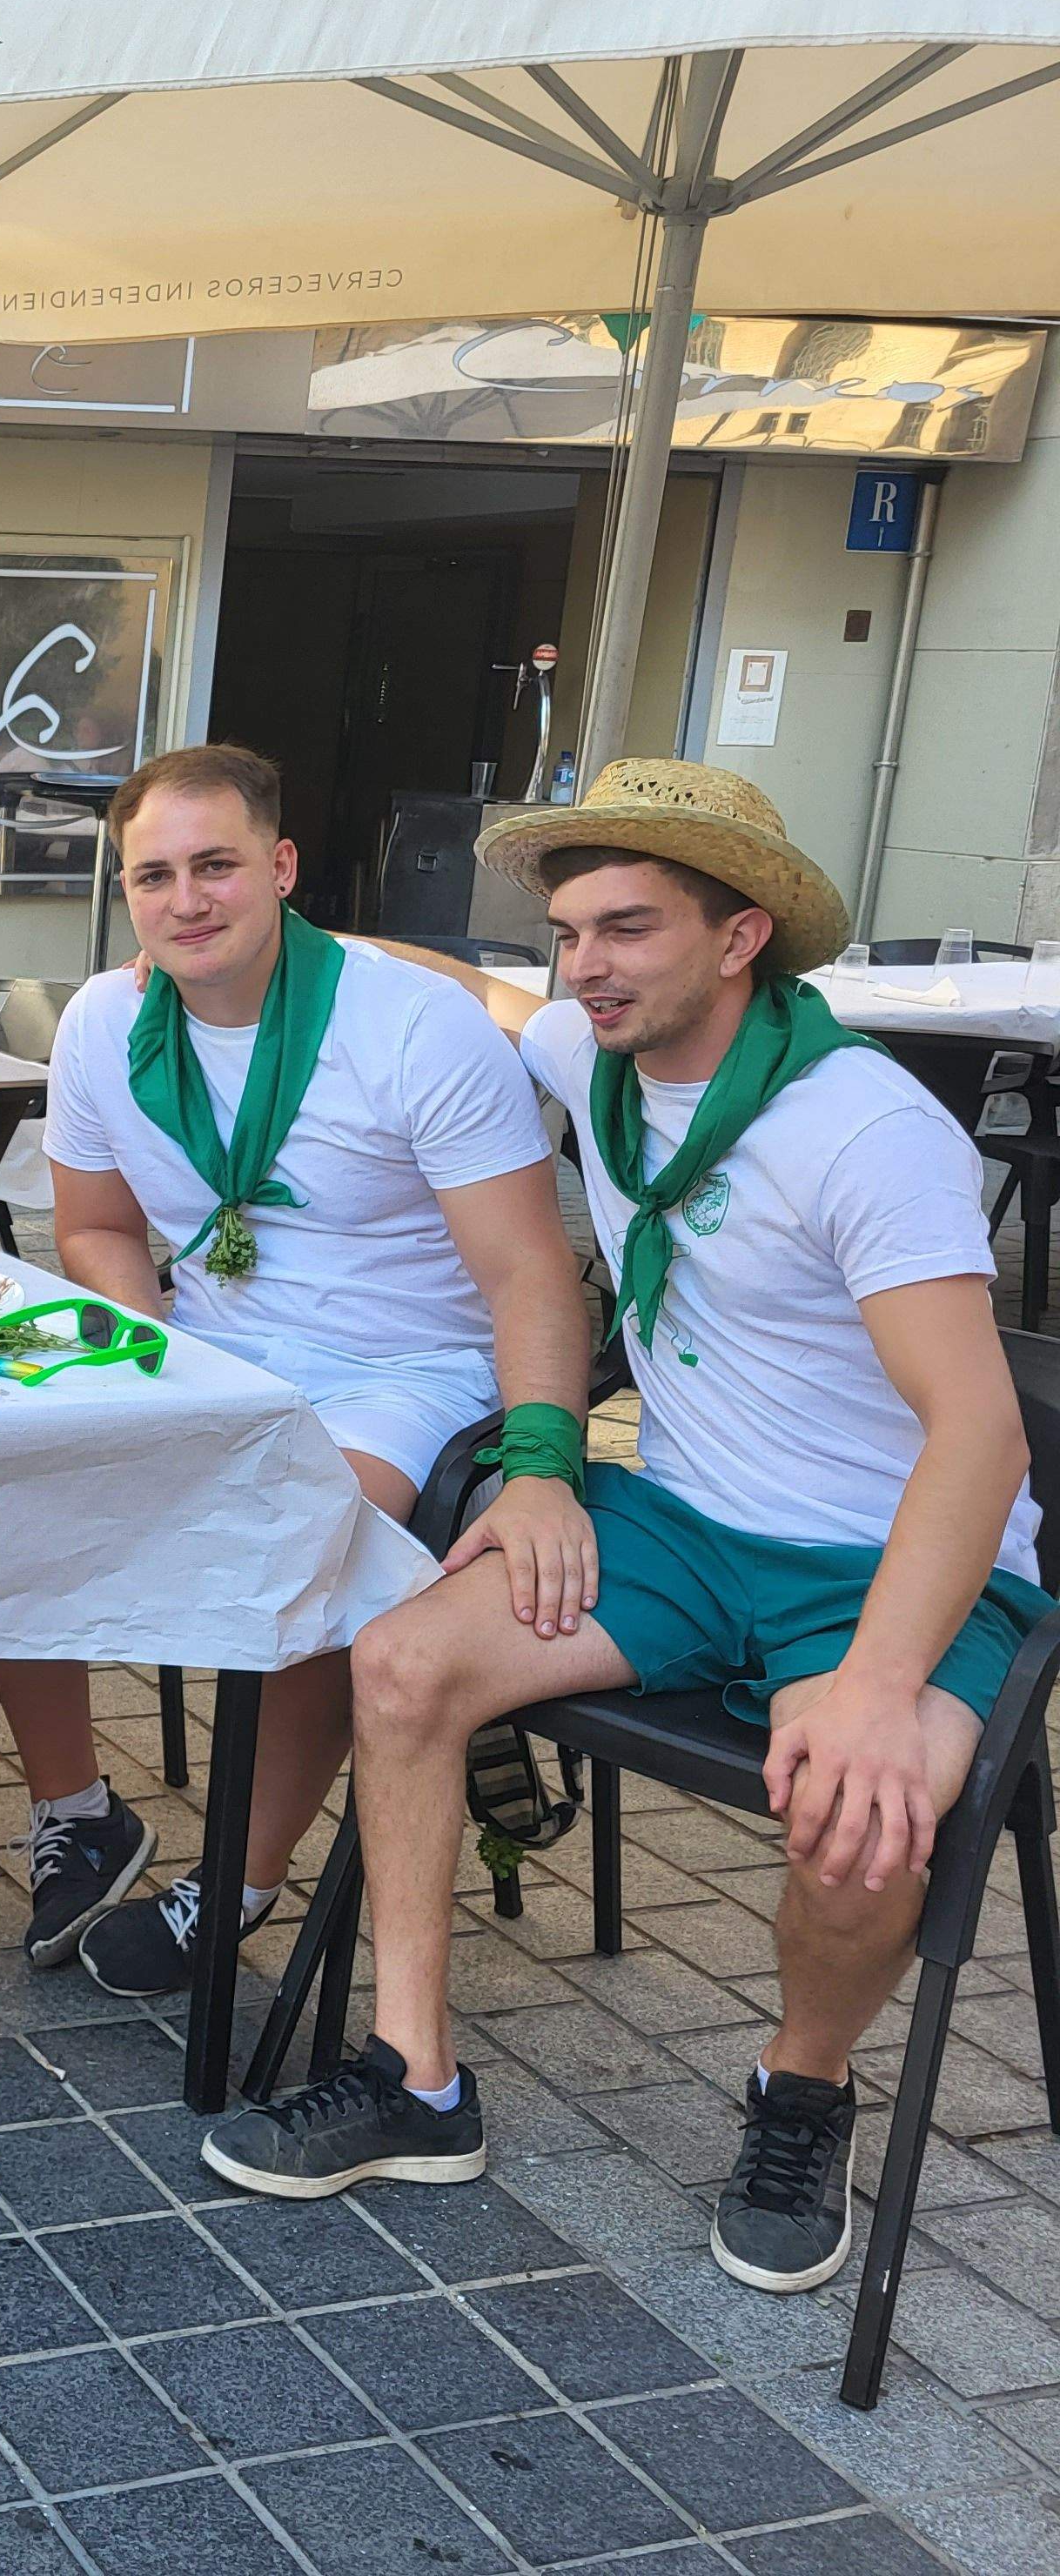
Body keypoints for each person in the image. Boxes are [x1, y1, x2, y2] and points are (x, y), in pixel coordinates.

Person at [209, 761, 1046, 2305]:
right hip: (674, 1518)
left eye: (630, 929)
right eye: (571, 931)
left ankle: (802, 2093)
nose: (586, 964)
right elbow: (458, 980)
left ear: (742, 940)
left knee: (863, 1813)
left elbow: (981, 1436)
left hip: (882, 1554)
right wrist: (226, 941)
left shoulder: (857, 1127)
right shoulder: (600, 1052)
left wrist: (873, 1679)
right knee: (397, 1662)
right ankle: (417, 2081)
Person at [0, 744, 594, 1990]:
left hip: (407, 1364)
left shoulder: (413, 1026)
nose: (187, 900)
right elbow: (98, 1230)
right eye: (154, 875)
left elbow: (531, 1274)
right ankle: (81, 1814)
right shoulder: (105, 1023)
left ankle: (239, 1880)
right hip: (214, 1343)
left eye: (216, 866)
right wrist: (148, 1347)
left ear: (282, 867)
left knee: (308, 1532)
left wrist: (544, 1464)